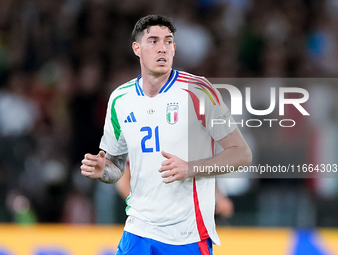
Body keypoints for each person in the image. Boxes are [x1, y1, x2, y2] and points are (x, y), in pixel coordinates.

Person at [81, 15, 252, 255]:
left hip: (187, 235)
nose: (162, 47)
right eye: (153, 41)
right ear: (137, 48)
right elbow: (116, 168)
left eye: (168, 41)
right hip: (138, 231)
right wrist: (103, 171)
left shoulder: (198, 91)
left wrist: (190, 168)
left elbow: (242, 154)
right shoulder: (120, 99)